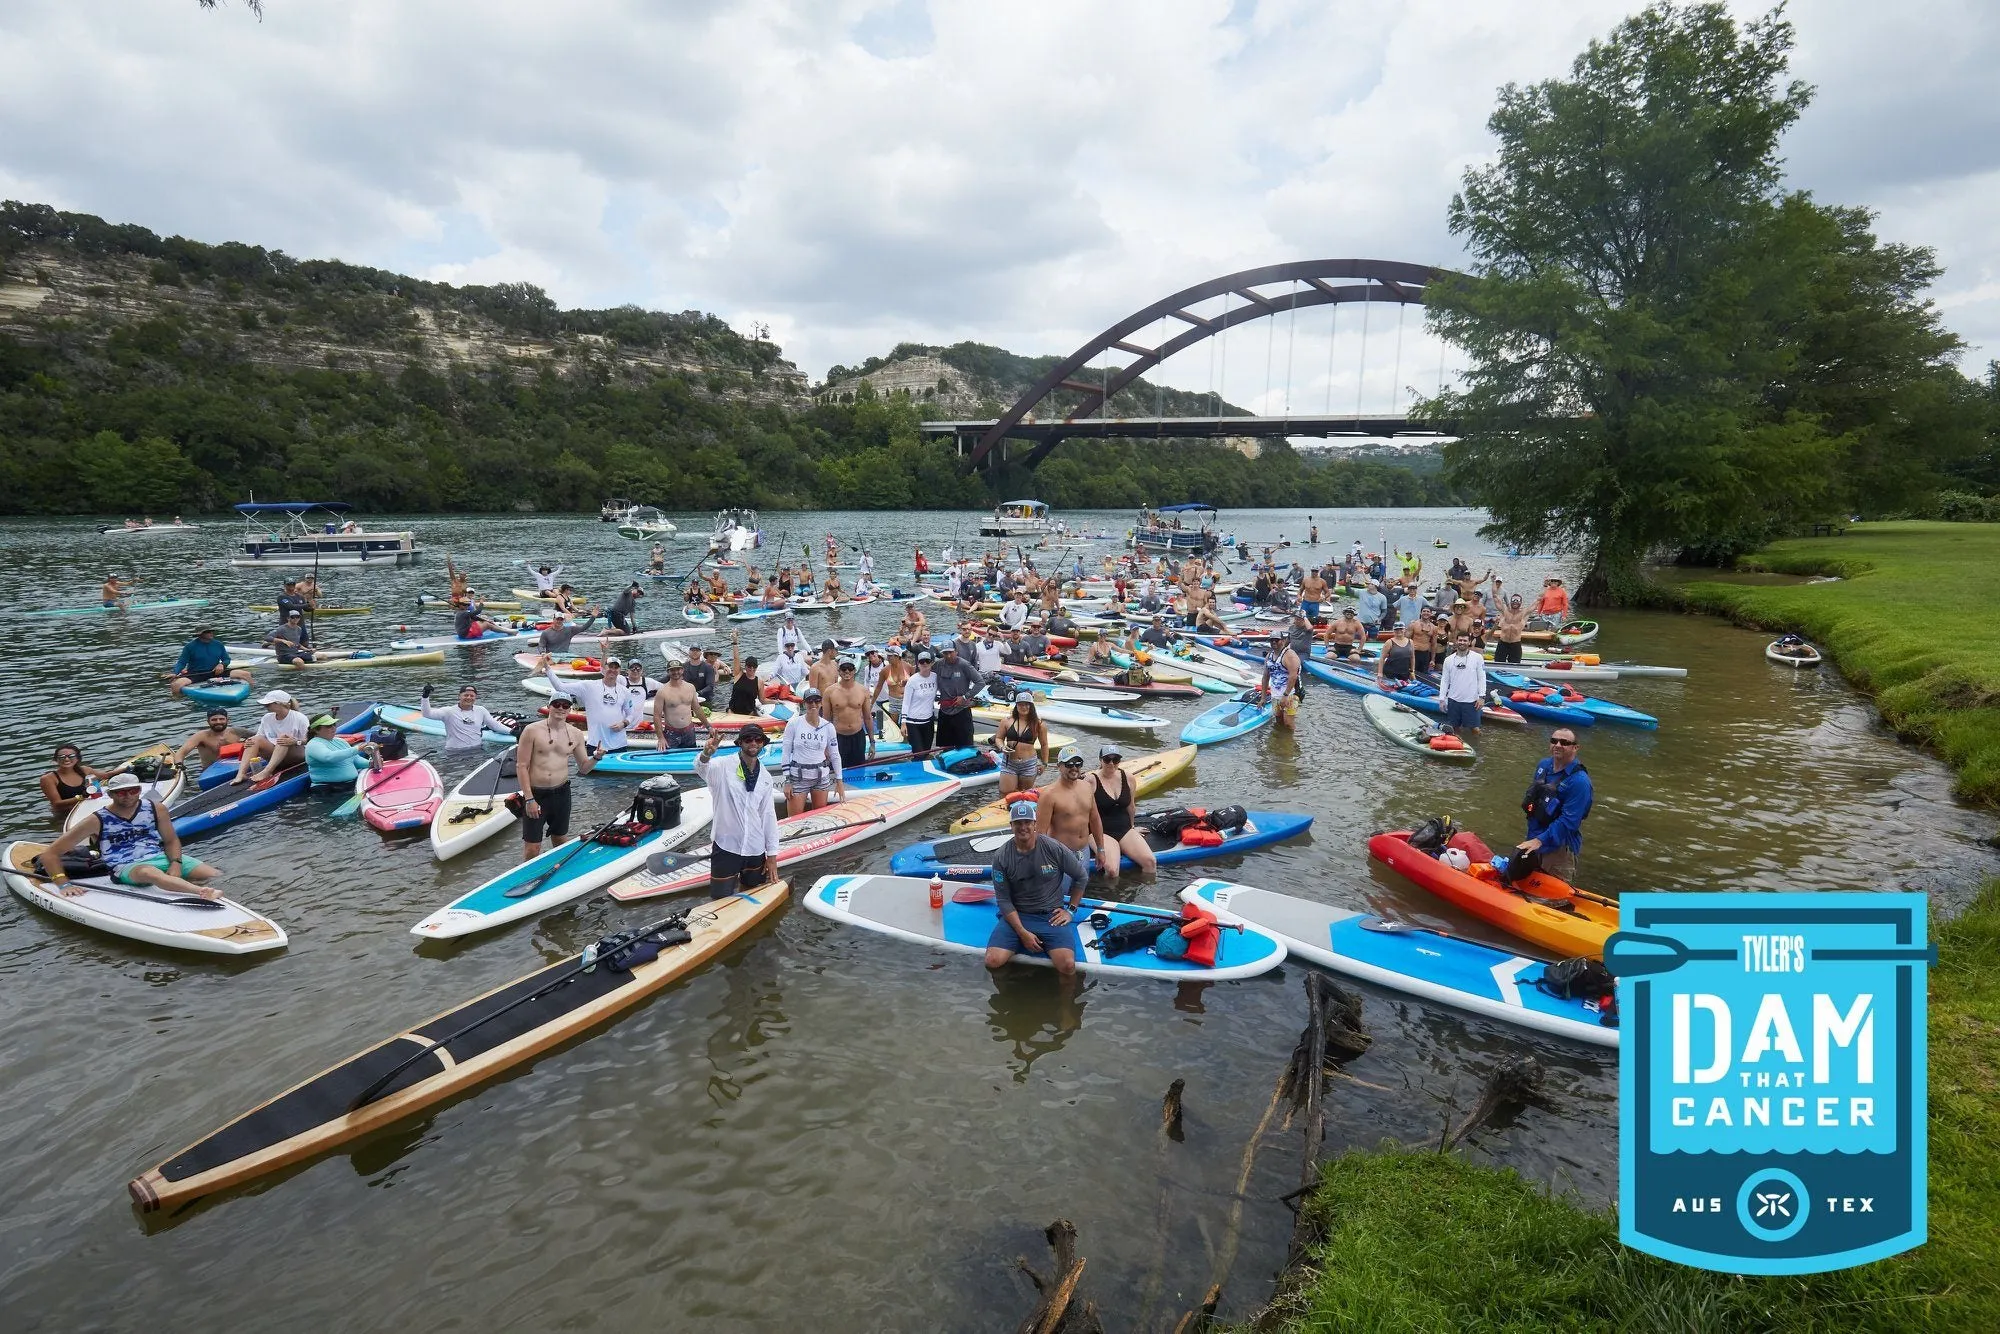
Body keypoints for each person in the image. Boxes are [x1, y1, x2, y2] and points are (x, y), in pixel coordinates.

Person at [36, 772, 219, 899]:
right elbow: (50, 854)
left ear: (139, 790)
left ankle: (209, 889)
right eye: (122, 792)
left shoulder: (156, 808)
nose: (128, 796)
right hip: (125, 866)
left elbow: (171, 840)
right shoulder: (96, 820)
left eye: (133, 791)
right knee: (150, 873)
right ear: (111, 794)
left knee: (214, 874)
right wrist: (63, 883)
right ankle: (202, 892)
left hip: (159, 856)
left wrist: (176, 863)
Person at [983, 799, 1089, 980]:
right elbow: (1003, 900)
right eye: (1018, 823)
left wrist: (1070, 910)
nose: (1023, 827)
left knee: (1068, 965)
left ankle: (1065, 1006)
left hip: (1051, 916)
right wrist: (1022, 933)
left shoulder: (1053, 848)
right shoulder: (1001, 856)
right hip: (1019, 915)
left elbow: (1081, 877)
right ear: (1011, 826)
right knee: (992, 961)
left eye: (1027, 822)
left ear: (1034, 824)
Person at [697, 723, 781, 898]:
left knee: (752, 897)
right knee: (719, 899)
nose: (753, 743)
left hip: (755, 849)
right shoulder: (722, 766)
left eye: (758, 739)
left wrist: (772, 855)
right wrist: (706, 754)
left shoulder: (765, 777)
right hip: (726, 847)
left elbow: (768, 816)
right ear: (740, 743)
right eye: (748, 739)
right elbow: (701, 769)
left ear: (763, 743)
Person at [515, 689, 599, 860]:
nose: (561, 708)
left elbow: (583, 768)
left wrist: (597, 758)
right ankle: (527, 878)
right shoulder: (531, 730)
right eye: (557, 704)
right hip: (536, 794)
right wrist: (529, 799)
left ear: (570, 710)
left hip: (561, 793)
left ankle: (560, 876)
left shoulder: (575, 734)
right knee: (532, 847)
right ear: (549, 707)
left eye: (566, 705)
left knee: (560, 839)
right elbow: (521, 766)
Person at [1519, 729, 1593, 880]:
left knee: (1551, 900)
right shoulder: (1543, 765)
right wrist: (1534, 839)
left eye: (1564, 743)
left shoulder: (1579, 782)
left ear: (1575, 748)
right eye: (1554, 741)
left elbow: (1569, 821)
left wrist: (1540, 840)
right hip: (1534, 840)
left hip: (1558, 849)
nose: (1557, 745)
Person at [1088, 742, 1155, 877]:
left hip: (1124, 829)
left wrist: (1132, 827)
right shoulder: (1091, 780)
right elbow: (1083, 811)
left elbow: (1131, 806)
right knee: (1112, 870)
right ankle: (1111, 895)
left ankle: (1146, 893)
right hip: (1101, 833)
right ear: (1100, 760)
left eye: (1116, 760)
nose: (1112, 764)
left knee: (1150, 862)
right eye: (1107, 759)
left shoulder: (1128, 778)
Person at [780, 688, 845, 815]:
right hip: (798, 777)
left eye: (816, 701)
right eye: (810, 701)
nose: (813, 704)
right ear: (804, 703)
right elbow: (786, 752)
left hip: (821, 777)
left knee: (819, 817)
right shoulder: (794, 724)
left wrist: (839, 781)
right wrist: (787, 781)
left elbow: (835, 755)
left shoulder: (828, 727)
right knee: (794, 819)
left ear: (821, 703)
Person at [1035, 746, 1103, 863]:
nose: (1074, 768)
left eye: (1078, 764)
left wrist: (1100, 849)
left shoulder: (1086, 787)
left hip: (1084, 851)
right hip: (1060, 855)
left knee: (1083, 881)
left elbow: (1095, 819)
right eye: (1069, 764)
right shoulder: (1049, 795)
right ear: (1059, 766)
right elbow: (1041, 833)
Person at [236, 690, 308, 784]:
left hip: (297, 755)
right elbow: (259, 737)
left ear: (279, 704)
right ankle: (241, 774)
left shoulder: (299, 718)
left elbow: (309, 740)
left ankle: (267, 771)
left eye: (268, 704)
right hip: (276, 753)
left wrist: (295, 741)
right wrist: (248, 742)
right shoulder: (267, 718)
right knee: (254, 740)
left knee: (283, 738)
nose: (265, 706)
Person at [571, 658, 639, 754]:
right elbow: (559, 687)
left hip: (619, 745)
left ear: (619, 670)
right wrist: (547, 669)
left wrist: (623, 724)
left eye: (616, 667)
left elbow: (631, 715)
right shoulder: (589, 686)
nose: (613, 670)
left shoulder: (625, 691)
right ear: (604, 668)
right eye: (610, 667)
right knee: (592, 769)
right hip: (596, 744)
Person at [994, 689, 1049, 796]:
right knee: (1005, 793)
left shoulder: (1039, 724)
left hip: (1028, 764)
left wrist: (1044, 763)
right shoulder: (1006, 721)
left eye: (1027, 705)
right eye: (1021, 705)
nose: (1024, 707)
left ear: (1031, 706)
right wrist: (1002, 747)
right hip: (1009, 763)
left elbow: (1044, 745)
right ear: (1016, 706)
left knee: (1025, 794)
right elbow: (998, 738)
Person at [421, 683, 509, 750]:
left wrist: (512, 732)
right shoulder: (448, 711)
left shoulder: (481, 710)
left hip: (477, 750)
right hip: (454, 752)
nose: (469, 698)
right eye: (466, 695)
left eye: (472, 696)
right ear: (459, 696)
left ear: (475, 697)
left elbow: (495, 725)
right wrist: (425, 696)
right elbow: (427, 714)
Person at [167, 627, 252, 695]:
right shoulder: (189, 647)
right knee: (176, 685)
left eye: (211, 631)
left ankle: (251, 693)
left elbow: (226, 659)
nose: (211, 633)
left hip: (216, 672)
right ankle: (177, 700)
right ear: (200, 635)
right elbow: (182, 662)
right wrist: (175, 673)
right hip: (197, 674)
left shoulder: (218, 644)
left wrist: (222, 665)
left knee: (246, 674)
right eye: (207, 632)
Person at [932, 642, 984, 750]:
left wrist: (965, 697)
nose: (949, 656)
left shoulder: (964, 664)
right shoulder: (938, 664)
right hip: (944, 711)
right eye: (945, 653)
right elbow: (925, 673)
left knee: (965, 747)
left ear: (956, 651)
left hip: (961, 711)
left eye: (951, 652)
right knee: (945, 747)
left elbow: (980, 682)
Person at [40, 744, 111, 822]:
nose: (66, 759)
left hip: (88, 806)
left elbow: (105, 776)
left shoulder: (86, 770)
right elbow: (56, 803)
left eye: (71, 756)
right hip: (65, 815)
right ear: (56, 760)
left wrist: (124, 769)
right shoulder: (48, 778)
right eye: (62, 757)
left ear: (78, 758)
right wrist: (81, 797)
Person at [304, 714, 381, 786]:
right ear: (316, 730)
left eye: (334, 725)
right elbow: (328, 757)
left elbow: (355, 760)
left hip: (350, 784)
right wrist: (357, 748)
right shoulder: (313, 744)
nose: (333, 728)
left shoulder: (340, 741)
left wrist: (371, 763)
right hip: (326, 789)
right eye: (329, 726)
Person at [825, 659, 875, 768]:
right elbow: (826, 721)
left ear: (855, 670)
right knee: (837, 770)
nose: (847, 671)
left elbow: (867, 718)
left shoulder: (863, 691)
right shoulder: (829, 692)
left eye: (850, 668)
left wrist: (872, 743)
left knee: (859, 769)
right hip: (838, 738)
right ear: (839, 671)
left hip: (858, 737)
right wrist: (825, 747)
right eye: (844, 668)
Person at [650, 659, 710, 749]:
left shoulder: (690, 687)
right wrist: (661, 738)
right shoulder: (662, 691)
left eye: (678, 669)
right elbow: (657, 716)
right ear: (668, 672)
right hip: (672, 733)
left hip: (689, 731)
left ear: (682, 670)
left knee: (690, 757)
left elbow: (697, 708)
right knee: (671, 760)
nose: (676, 672)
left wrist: (709, 727)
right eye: (672, 670)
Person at [1438, 633, 1487, 738]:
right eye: (1460, 640)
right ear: (1456, 641)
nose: (1462, 643)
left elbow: (1482, 678)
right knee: (1455, 728)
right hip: (1453, 700)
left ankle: (1477, 746)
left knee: (1475, 729)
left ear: (1469, 642)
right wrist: (1442, 699)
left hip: (1471, 700)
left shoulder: (1478, 658)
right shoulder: (1448, 660)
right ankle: (1460, 744)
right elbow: (1445, 680)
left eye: (1465, 640)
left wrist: (1482, 696)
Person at [172, 709, 245, 771]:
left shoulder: (237, 732)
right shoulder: (200, 736)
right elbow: (181, 752)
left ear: (227, 720)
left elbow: (256, 737)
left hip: (235, 767)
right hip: (209, 771)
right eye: (214, 720)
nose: (218, 722)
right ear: (208, 722)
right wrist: (179, 764)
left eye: (221, 719)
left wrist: (247, 743)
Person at [900, 650, 940, 752]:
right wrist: (903, 723)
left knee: (926, 751)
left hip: (928, 721)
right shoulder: (913, 680)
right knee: (918, 753)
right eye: (922, 662)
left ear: (931, 663)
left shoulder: (935, 677)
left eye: (927, 661)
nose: (925, 664)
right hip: (913, 722)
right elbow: (906, 702)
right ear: (918, 664)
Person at [534, 607, 602, 665]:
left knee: (582, 661)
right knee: (551, 661)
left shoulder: (570, 630)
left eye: (561, 619)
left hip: (566, 656)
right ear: (553, 620)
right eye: (557, 619)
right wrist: (543, 653)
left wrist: (593, 617)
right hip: (552, 656)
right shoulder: (546, 632)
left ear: (563, 620)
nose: (559, 621)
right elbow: (541, 645)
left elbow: (583, 627)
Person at [1260, 637, 1301, 729]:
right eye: (1271, 640)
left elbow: (1293, 676)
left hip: (1291, 694)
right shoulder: (1269, 656)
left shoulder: (1290, 655)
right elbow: (1265, 677)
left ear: (1282, 641)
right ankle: (1280, 741)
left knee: (1288, 723)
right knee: (1278, 720)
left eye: (1276, 640)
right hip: (1275, 694)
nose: (1274, 642)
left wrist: (1285, 695)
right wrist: (1263, 698)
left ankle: (1291, 742)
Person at [1375, 622, 1417, 689]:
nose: (1399, 631)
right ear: (1394, 631)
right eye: (1396, 629)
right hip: (1391, 673)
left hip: (1404, 673)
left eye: (1401, 629)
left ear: (1404, 629)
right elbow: (1382, 658)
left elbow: (1412, 657)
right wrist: (1380, 673)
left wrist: (1412, 671)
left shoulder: (1410, 642)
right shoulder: (1389, 642)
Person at [1493, 594, 1530, 665]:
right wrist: (1494, 582)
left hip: (1515, 644)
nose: (1515, 602)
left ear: (1521, 602)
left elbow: (1539, 599)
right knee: (1498, 665)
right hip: (1503, 643)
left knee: (1515, 667)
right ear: (1510, 602)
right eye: (1513, 600)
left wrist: (1545, 586)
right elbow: (1495, 596)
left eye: (1517, 600)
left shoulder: (1524, 613)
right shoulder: (1504, 611)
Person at [1409, 606, 1445, 676]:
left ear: (1431, 614)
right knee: (1412, 673)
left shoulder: (1434, 627)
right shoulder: (1413, 624)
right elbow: (1406, 639)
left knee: (1424, 675)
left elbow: (1434, 644)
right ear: (1420, 613)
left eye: (1428, 611)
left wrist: (1433, 659)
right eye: (1424, 611)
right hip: (1414, 652)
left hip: (1425, 654)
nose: (1426, 613)